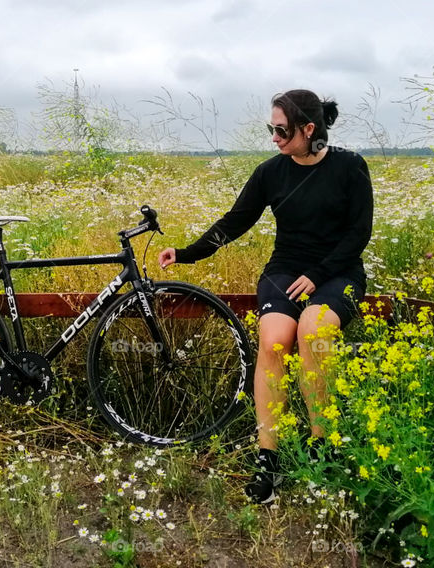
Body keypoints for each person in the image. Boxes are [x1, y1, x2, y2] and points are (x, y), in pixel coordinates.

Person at [157, 89, 373, 504]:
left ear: (309, 129)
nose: (273, 137)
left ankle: (320, 446)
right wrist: (185, 254)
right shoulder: (270, 172)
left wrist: (318, 274)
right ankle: (268, 459)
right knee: (274, 341)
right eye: (270, 129)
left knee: (313, 331)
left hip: (337, 271)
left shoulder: (349, 166)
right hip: (285, 271)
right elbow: (235, 221)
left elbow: (358, 234)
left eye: (281, 130)